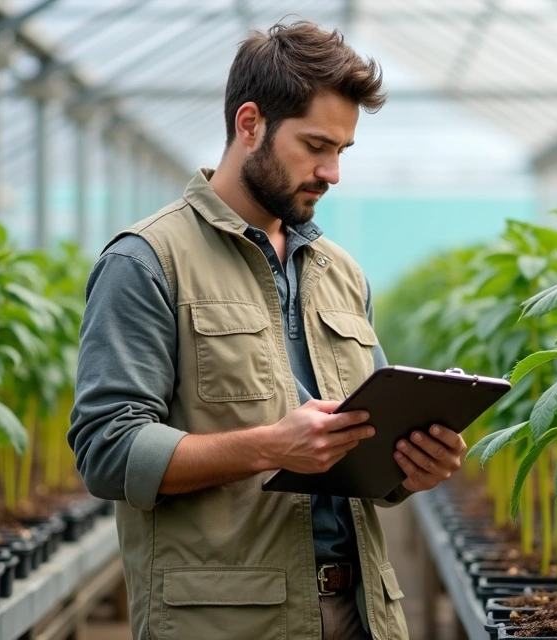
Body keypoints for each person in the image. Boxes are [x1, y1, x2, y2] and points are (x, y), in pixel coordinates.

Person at [68, 21, 466, 640]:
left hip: (363, 613)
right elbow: (106, 451)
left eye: (342, 151)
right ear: (249, 124)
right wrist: (268, 447)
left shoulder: (340, 273)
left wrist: (414, 465)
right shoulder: (146, 262)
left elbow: (365, 453)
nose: (332, 172)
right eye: (315, 145)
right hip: (228, 621)